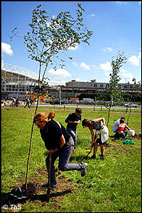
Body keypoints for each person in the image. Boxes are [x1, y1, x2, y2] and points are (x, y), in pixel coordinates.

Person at [34, 112, 88, 190]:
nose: (38, 127)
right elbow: (47, 141)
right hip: (57, 145)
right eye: (37, 126)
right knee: (49, 161)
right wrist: (50, 149)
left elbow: (63, 141)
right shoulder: (43, 129)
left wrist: (55, 150)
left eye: (39, 125)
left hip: (66, 145)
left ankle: (82, 166)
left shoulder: (53, 126)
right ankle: (52, 183)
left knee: (63, 166)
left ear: (43, 121)